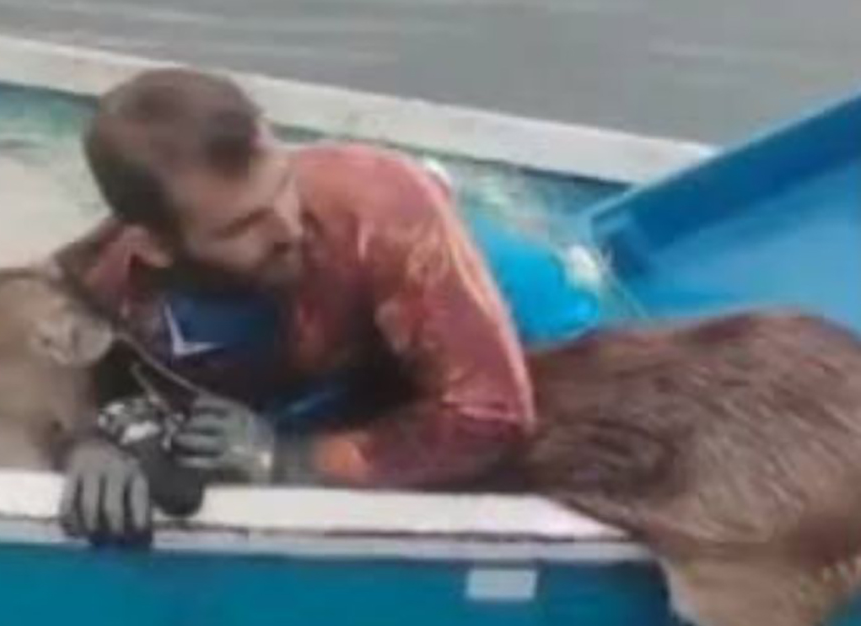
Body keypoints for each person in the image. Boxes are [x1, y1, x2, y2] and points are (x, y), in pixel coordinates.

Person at [55, 68, 602, 543]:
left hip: (532, 329)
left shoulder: (383, 210)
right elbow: (37, 350)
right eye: (243, 225)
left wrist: (289, 460)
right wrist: (90, 440)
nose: (288, 227)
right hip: (342, 356)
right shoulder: (113, 275)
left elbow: (492, 416)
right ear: (155, 245)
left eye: (283, 186)